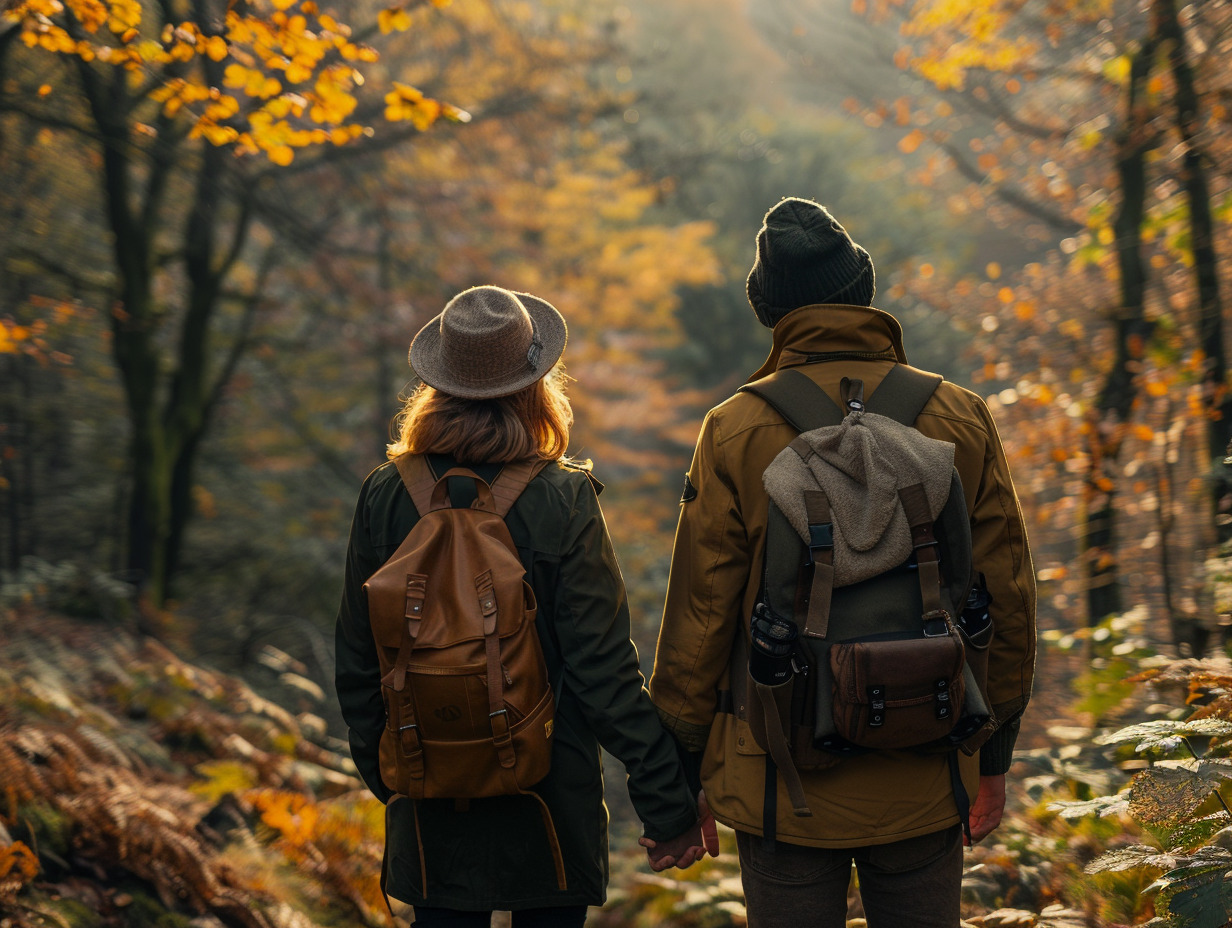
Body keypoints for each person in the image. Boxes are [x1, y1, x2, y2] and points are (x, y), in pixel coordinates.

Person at [648, 198, 1037, 928]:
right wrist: (994, 755)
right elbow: (1007, 595)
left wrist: (680, 774)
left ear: (770, 311)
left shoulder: (734, 428)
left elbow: (701, 615)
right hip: (928, 758)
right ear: (864, 290)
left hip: (780, 778)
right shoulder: (958, 415)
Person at [335, 285, 716, 928]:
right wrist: (668, 805)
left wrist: (398, 774)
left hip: (430, 792)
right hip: (550, 793)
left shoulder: (385, 495)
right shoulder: (562, 498)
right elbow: (603, 673)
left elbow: (356, 661)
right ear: (536, 385)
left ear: (438, 383)